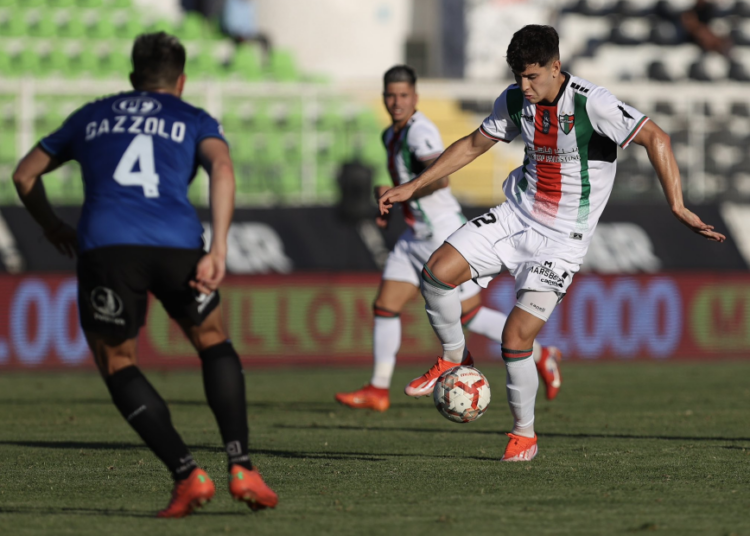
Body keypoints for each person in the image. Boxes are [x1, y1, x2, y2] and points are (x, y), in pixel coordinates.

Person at [378, 26, 725, 461]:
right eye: (518, 77)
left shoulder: (590, 102)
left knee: (515, 338)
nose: (524, 86)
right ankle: (453, 357)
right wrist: (414, 185)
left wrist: (677, 205)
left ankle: (524, 434)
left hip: (562, 240)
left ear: (555, 67)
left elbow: (657, 137)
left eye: (532, 77)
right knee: (435, 274)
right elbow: (472, 144)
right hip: (515, 216)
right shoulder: (512, 100)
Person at [12, 32, 278, 517]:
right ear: (181, 81)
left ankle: (187, 474)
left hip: (108, 248)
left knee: (117, 360)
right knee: (213, 340)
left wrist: (51, 225)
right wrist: (218, 246)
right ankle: (242, 466)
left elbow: (24, 175)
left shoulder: (92, 115)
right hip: (179, 245)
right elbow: (222, 168)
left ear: (133, 78)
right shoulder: (194, 118)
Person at [335, 65, 562, 412]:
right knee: (385, 305)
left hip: (439, 231)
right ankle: (378, 388)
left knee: (469, 314)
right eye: (391, 95)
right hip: (415, 234)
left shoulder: (419, 131)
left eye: (403, 96)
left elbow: (439, 180)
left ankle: (542, 352)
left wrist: (399, 192)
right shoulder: (389, 134)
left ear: (416, 98)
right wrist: (393, 203)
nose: (396, 102)